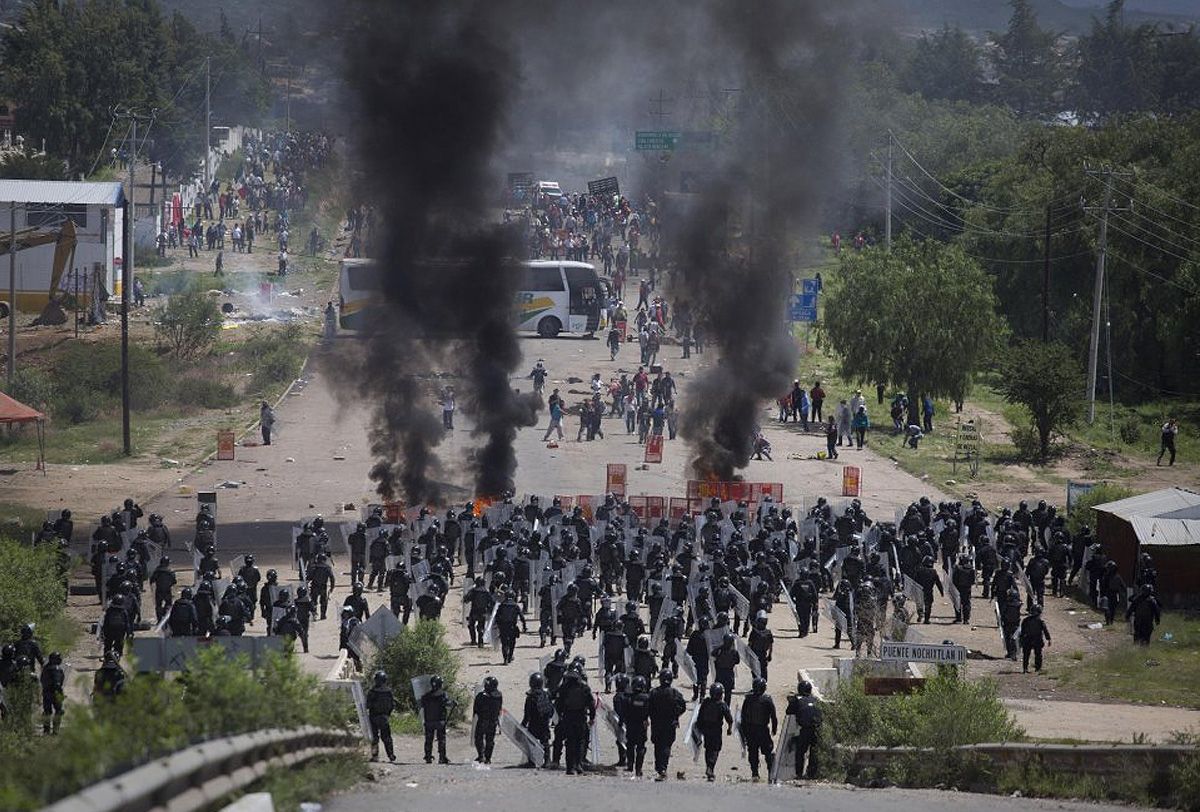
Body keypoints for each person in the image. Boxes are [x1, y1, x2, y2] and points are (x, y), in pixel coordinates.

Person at [647, 669, 687, 780]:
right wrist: (676, 715)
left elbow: (648, 707)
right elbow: (683, 707)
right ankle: (662, 768)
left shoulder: (654, 692)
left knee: (658, 746)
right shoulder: (675, 693)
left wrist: (650, 717)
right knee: (666, 746)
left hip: (657, 724)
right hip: (670, 724)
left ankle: (660, 768)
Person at [740, 676, 778, 781]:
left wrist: (743, 731)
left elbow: (743, 716)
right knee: (768, 751)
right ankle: (770, 772)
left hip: (750, 730)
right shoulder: (767, 699)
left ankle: (755, 773)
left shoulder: (748, 699)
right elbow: (773, 716)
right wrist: (774, 728)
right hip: (762, 730)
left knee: (753, 751)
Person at [785, 679, 822, 779]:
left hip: (805, 730)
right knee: (814, 752)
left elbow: (788, 712)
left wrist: (792, 701)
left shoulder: (797, 700)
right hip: (818, 729)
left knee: (800, 752)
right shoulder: (816, 699)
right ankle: (811, 774)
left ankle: (799, 774)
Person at [696, 682, 733, 781]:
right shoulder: (722, 704)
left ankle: (709, 766)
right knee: (715, 749)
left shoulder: (706, 702)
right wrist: (729, 728)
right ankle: (710, 767)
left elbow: (699, 717)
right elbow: (729, 718)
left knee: (708, 748)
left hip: (706, 730)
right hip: (716, 731)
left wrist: (699, 729)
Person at [421, 675, 457, 764]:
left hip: (429, 721)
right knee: (441, 739)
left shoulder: (426, 696)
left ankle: (428, 757)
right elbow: (447, 703)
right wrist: (453, 703)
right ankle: (442, 757)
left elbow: (422, 705)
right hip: (440, 721)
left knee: (428, 740)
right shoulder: (442, 695)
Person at [366, 670, 398, 762]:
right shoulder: (388, 692)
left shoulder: (372, 691)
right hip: (384, 718)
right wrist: (388, 714)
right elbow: (392, 705)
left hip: (374, 717)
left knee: (374, 738)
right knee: (387, 737)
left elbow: (368, 705)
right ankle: (391, 755)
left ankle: (375, 756)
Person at [472, 675, 503, 764]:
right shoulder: (499, 695)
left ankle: (481, 756)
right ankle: (488, 758)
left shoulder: (481, 696)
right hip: (493, 720)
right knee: (490, 740)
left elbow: (476, 709)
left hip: (483, 720)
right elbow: (499, 708)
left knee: (479, 738)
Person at [1018, 604, 1051, 672]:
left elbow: (1022, 631)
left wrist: (1021, 640)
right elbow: (1045, 630)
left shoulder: (1025, 620)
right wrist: (1048, 639)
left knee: (1026, 655)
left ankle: (1025, 668)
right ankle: (1038, 668)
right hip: (1037, 639)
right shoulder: (1040, 621)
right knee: (1038, 654)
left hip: (1027, 639)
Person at [40, 651, 66, 734]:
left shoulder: (46, 668)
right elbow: (57, 683)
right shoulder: (57, 669)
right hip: (55, 693)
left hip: (46, 692)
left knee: (47, 711)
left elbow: (42, 680)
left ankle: (46, 729)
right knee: (58, 711)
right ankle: (55, 730)